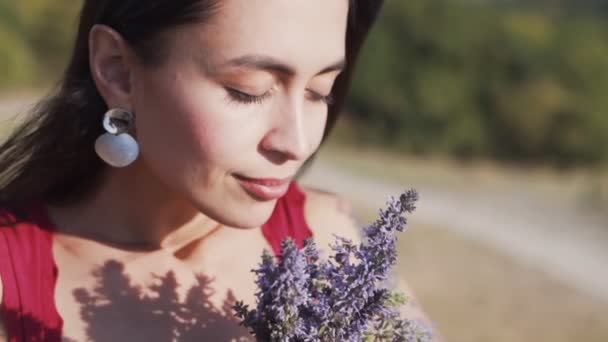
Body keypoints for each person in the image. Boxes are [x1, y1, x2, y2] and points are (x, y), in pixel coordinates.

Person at [0, 0, 436, 340]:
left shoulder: (331, 243)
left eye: (320, 91)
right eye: (249, 91)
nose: (297, 143)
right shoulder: (11, 285)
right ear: (118, 72)